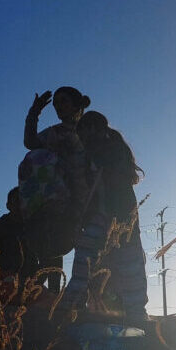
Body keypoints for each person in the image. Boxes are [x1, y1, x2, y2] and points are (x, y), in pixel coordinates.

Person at [64, 110, 148, 324]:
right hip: (115, 216)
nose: (81, 139)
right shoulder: (110, 150)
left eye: (82, 133)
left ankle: (73, 303)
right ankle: (135, 310)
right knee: (127, 264)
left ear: (92, 129)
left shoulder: (108, 150)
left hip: (113, 216)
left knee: (94, 260)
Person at [21, 86, 92, 291]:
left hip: (89, 196)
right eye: (56, 104)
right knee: (55, 244)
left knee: (91, 247)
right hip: (60, 200)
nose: (59, 107)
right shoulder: (55, 132)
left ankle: (92, 297)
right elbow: (30, 142)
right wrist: (34, 113)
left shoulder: (88, 130)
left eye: (64, 102)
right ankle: (51, 295)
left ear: (77, 105)